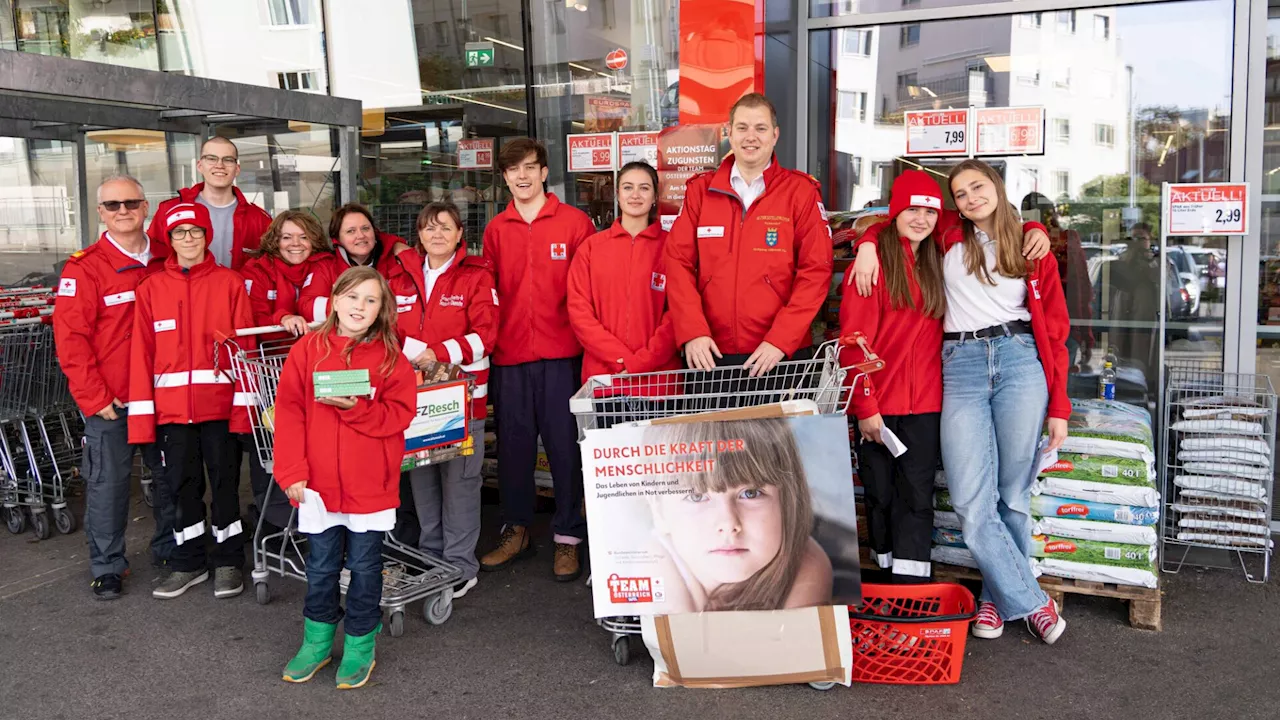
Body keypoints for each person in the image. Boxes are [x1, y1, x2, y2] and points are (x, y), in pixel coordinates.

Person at [937, 160, 1071, 644]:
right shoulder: (947, 238)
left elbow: (1055, 332)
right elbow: (897, 221)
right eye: (961, 193)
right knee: (973, 503)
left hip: (1019, 362)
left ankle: (995, 599)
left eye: (978, 187)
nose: (971, 198)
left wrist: (1060, 406)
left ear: (997, 187)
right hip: (963, 365)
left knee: (1013, 495)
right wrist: (867, 245)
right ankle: (1035, 601)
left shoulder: (1032, 247)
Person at [273, 267, 417, 690]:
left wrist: (356, 408)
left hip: (369, 483)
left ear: (381, 310)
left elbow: (400, 415)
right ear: (334, 300)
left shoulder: (392, 357)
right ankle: (315, 643)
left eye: (371, 301)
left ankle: (359, 644)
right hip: (317, 484)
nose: (360, 307)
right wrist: (292, 471)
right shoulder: (307, 350)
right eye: (353, 297)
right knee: (319, 567)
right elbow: (290, 413)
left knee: (365, 567)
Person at [479, 138, 596, 582]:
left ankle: (568, 537)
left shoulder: (574, 223)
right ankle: (517, 529)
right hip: (509, 356)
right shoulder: (497, 229)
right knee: (514, 449)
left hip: (562, 355)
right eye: (513, 171)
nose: (522, 177)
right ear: (505, 177)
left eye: (530, 167)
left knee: (565, 450)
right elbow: (487, 295)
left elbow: (588, 290)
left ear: (545, 172)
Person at [128, 202, 256, 601]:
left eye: (195, 232)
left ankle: (229, 562)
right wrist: (143, 423)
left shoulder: (230, 283)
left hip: (220, 409)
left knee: (225, 487)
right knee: (182, 489)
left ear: (206, 237)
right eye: (180, 233)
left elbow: (245, 350)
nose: (188, 239)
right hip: (171, 415)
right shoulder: (151, 289)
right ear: (169, 240)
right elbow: (141, 357)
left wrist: (243, 412)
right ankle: (188, 564)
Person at [54, 175, 170, 600]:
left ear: (145, 208)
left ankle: (172, 551)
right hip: (113, 403)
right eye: (113, 205)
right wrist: (95, 397)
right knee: (108, 485)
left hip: (162, 395)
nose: (124, 211)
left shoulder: (167, 257)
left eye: (131, 203)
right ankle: (107, 565)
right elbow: (70, 341)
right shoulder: (84, 268)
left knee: (170, 478)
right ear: (101, 212)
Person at [664, 93, 833, 378]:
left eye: (761, 128)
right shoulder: (700, 192)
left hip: (780, 357)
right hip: (710, 354)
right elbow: (677, 262)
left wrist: (781, 339)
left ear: (775, 135)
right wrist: (692, 331)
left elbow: (816, 271)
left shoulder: (800, 192)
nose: (750, 136)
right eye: (742, 127)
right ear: (729, 133)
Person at [838, 171, 947, 583]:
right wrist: (865, 407)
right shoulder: (872, 267)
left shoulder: (937, 256)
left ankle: (911, 587)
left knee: (917, 499)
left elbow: (982, 216)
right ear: (895, 211)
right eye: (911, 209)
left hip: (926, 407)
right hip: (878, 407)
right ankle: (885, 584)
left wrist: (1033, 225)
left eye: (929, 211)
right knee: (880, 497)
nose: (921, 218)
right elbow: (853, 342)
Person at [393, 201, 498, 599]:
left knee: (460, 484)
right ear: (419, 235)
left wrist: (437, 351)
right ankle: (429, 557)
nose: (436, 234)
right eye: (429, 228)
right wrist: (411, 351)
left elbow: (486, 335)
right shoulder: (400, 278)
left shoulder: (476, 275)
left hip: (461, 400)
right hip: (415, 403)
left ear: (459, 235)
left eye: (445, 228)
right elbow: (387, 329)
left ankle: (459, 566)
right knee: (423, 482)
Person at [641, 418, 833, 612]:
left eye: (751, 493)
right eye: (696, 496)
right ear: (659, 511)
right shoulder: (656, 560)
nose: (728, 523)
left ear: (788, 501)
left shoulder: (806, 562)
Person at [239, 211, 343, 531]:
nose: (295, 244)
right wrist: (282, 316)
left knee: (321, 441)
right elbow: (254, 312)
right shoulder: (257, 269)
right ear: (275, 240)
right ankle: (274, 514)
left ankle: (319, 511)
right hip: (272, 366)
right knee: (273, 442)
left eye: (303, 237)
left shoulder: (327, 264)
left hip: (318, 365)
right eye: (287, 237)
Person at [567, 161, 679, 383]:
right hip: (603, 379)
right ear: (617, 194)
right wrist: (620, 360)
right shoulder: (591, 248)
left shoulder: (672, 248)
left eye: (644, 188)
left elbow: (678, 314)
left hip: (658, 382)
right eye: (628, 187)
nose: (635, 195)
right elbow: (580, 313)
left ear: (656, 196)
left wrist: (641, 363)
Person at [147, 136, 272, 271]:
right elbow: (155, 259)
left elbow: (269, 267)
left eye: (228, 159)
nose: (219, 165)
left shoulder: (259, 219)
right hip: (182, 290)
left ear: (237, 169)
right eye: (212, 158)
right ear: (200, 165)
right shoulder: (170, 211)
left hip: (238, 291)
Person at [296, 204, 413, 321]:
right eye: (351, 231)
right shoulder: (326, 266)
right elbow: (307, 307)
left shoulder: (396, 260)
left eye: (365, 228)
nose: (361, 235)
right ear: (337, 239)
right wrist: (357, 308)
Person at [1021, 192, 1093, 371]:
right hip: (1029, 324)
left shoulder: (1068, 239)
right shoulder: (1016, 240)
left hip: (1060, 319)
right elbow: (1082, 288)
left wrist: (1085, 333)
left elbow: (1081, 288)